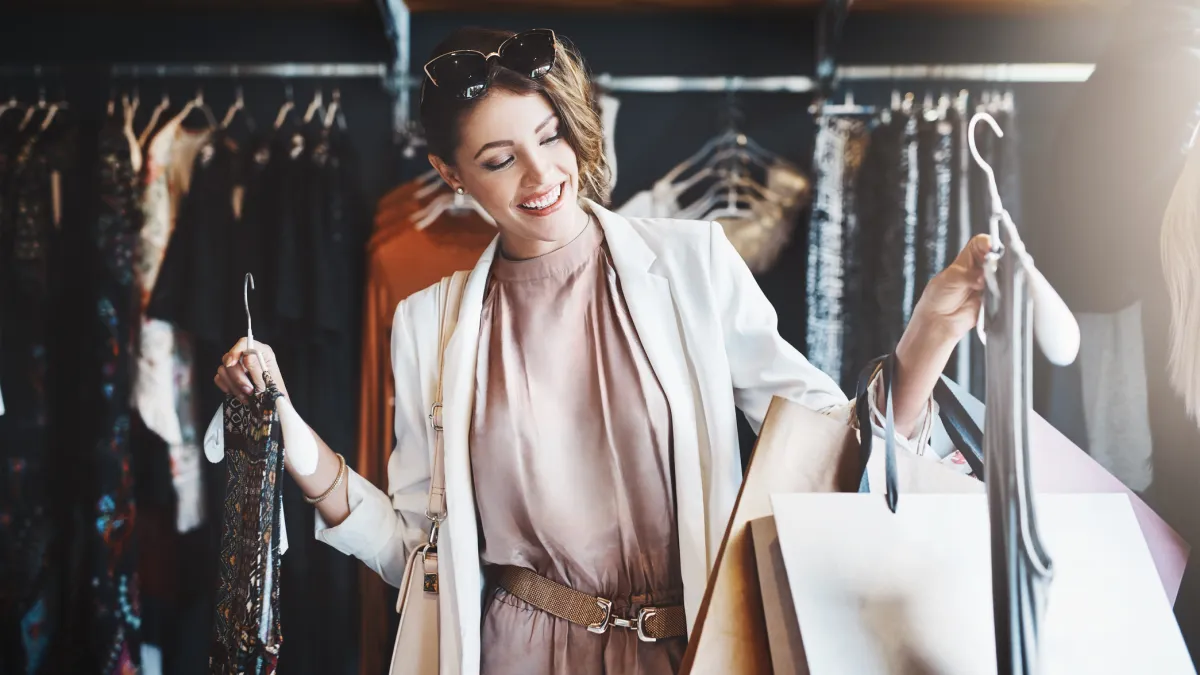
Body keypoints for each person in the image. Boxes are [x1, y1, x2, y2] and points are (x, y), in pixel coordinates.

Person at [213, 26, 990, 675]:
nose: (541, 172)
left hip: (693, 649)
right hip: (517, 654)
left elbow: (835, 447)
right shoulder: (429, 324)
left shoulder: (693, 263)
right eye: (498, 158)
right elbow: (418, 551)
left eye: (549, 134)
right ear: (452, 175)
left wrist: (926, 338)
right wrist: (291, 433)